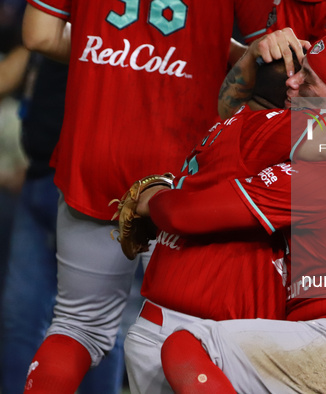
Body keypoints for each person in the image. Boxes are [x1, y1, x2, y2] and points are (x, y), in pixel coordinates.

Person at [126, 29, 326, 393]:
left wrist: (152, 195)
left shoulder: (320, 166)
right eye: (300, 68)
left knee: (190, 346)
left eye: (309, 79)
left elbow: (183, 215)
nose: (292, 82)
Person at [20, 0, 276, 391]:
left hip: (94, 152)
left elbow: (38, 34)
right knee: (191, 338)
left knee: (78, 326)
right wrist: (201, 49)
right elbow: (272, 65)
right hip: (186, 174)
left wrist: (106, 53)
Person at [1, 53, 131, 394]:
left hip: (92, 187)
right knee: (21, 317)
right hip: (40, 174)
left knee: (92, 325)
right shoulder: (50, 37)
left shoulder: (98, 31)